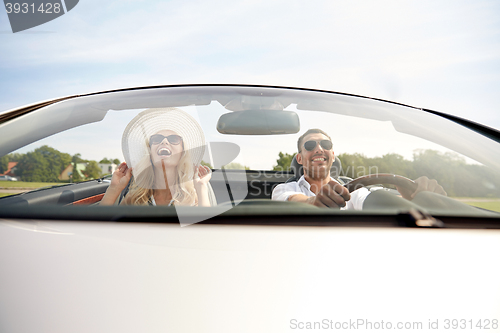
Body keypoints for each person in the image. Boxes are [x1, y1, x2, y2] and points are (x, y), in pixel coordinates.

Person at [272, 128, 446, 209]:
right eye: (310, 145)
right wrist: (313, 202)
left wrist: (414, 199)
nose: (319, 149)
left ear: (332, 154)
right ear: (300, 158)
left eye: (325, 144)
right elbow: (293, 201)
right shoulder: (285, 189)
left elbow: (374, 202)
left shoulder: (354, 190)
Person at [100, 107, 212, 206]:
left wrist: (201, 187)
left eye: (174, 139)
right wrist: (114, 188)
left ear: (182, 153)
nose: (164, 142)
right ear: (150, 153)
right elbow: (101, 227)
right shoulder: (135, 197)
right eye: (157, 139)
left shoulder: (192, 197)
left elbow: (206, 229)